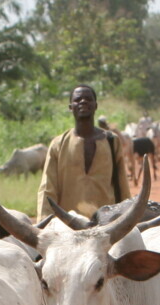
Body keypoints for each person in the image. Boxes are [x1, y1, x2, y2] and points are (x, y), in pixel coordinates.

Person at [37, 85, 130, 218]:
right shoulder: (58, 144)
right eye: (78, 99)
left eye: (88, 99)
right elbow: (47, 189)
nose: (83, 102)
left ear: (96, 105)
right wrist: (44, 223)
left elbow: (122, 187)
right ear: (70, 107)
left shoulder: (111, 141)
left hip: (106, 225)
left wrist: (126, 219)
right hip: (68, 225)